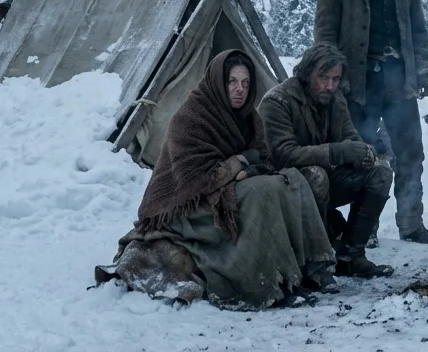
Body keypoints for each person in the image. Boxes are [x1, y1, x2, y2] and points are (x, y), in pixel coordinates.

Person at [115, 50, 336, 310]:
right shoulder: (190, 118)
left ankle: (310, 268)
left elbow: (264, 159)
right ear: (218, 82)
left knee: (291, 179)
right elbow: (200, 180)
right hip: (190, 206)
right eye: (232, 82)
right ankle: (263, 284)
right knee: (262, 192)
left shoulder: (248, 117)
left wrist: (250, 169)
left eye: (245, 83)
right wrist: (242, 161)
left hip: (228, 190)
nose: (239, 90)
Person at [314, 0, 428, 245]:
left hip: (399, 81)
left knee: (411, 152)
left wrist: (424, 68)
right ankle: (363, 228)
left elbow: (418, 29)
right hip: (357, 83)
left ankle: (411, 223)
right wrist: (332, 79)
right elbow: (325, 35)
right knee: (362, 155)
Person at [260, 44, 396, 278]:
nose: (329, 86)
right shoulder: (277, 102)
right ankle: (316, 262)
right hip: (285, 188)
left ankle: (351, 256)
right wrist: (336, 152)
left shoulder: (335, 99)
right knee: (315, 175)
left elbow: (350, 137)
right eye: (323, 77)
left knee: (380, 173)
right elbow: (283, 154)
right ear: (306, 73)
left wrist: (363, 154)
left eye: (335, 79)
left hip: (325, 181)